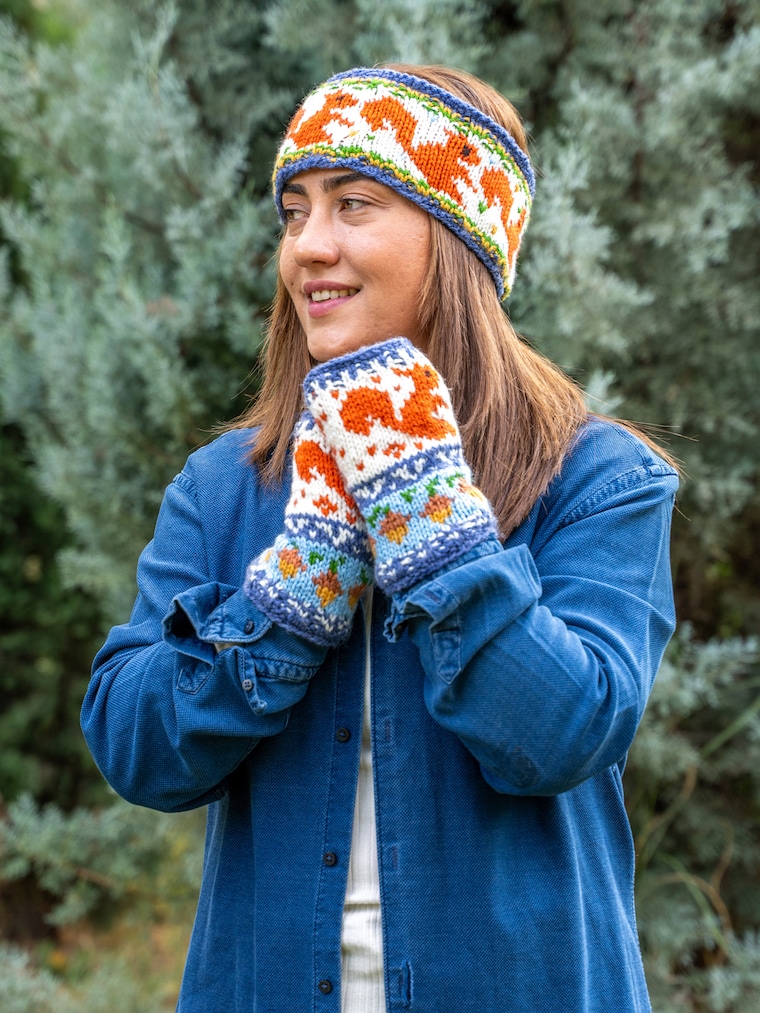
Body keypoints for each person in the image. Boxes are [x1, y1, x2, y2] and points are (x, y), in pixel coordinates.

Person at [81, 64, 679, 1013]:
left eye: (353, 204)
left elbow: (564, 733)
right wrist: (294, 593)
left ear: (458, 239)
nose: (308, 246)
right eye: (294, 213)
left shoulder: (598, 478)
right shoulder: (225, 486)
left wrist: (429, 517)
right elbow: (136, 747)